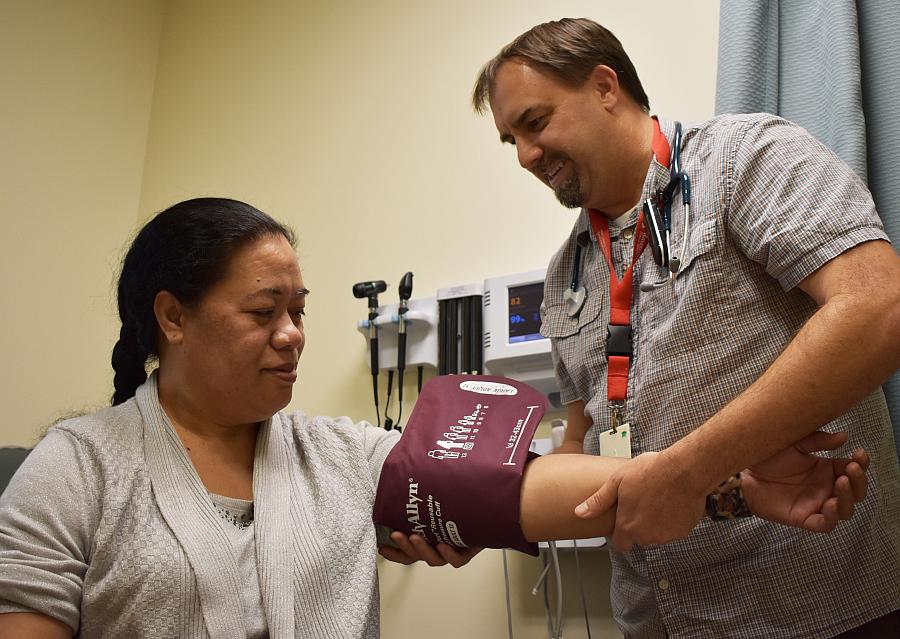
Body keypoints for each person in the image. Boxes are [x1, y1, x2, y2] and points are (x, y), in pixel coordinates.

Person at [0, 198, 871, 638]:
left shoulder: (333, 455)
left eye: (300, 308)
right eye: (264, 312)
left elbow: (529, 488)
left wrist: (731, 487)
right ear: (173, 316)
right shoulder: (76, 470)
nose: (295, 334)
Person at [472, 18, 900, 639]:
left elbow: (879, 309)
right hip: (656, 621)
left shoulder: (745, 159)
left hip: (818, 608)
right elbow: (582, 447)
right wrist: (473, 516)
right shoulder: (567, 273)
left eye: (535, 123)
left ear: (603, 86)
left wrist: (685, 471)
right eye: (510, 139)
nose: (525, 156)